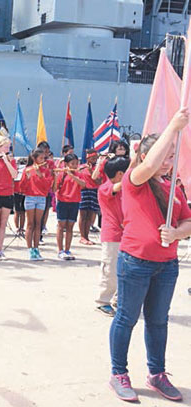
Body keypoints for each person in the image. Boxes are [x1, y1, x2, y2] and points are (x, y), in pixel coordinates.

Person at [108, 109, 191, 403]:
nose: (169, 161)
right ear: (145, 156)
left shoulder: (175, 190)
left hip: (167, 265)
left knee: (158, 321)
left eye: (172, 157)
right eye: (164, 156)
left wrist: (177, 232)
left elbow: (188, 222)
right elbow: (151, 163)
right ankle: (119, 373)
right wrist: (173, 125)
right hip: (135, 262)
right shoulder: (136, 179)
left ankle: (157, 373)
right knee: (126, 318)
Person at [95, 156, 130, 316]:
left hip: (126, 235)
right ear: (120, 173)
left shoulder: (126, 189)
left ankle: (118, 299)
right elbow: (118, 185)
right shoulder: (105, 188)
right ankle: (103, 301)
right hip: (112, 236)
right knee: (110, 270)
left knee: (125, 270)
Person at [21, 148, 52, 261]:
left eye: (44, 158)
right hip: (30, 197)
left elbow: (47, 186)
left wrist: (40, 175)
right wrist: (27, 178)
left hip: (41, 198)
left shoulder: (45, 171)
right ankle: (30, 249)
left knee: (38, 224)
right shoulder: (27, 170)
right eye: (41, 158)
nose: (43, 160)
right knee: (30, 224)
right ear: (34, 159)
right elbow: (21, 187)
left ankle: (36, 248)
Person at [54, 154, 85, 260]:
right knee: (61, 225)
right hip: (63, 201)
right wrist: (57, 174)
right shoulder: (62, 175)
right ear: (66, 164)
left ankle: (67, 249)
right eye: (73, 164)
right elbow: (55, 188)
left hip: (74, 202)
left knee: (70, 226)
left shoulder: (79, 174)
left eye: (76, 163)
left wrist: (72, 175)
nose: (75, 165)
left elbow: (83, 184)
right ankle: (60, 250)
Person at [78, 149, 102, 245]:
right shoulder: (81, 167)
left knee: (90, 215)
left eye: (95, 158)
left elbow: (98, 181)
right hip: (84, 191)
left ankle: (86, 236)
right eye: (92, 158)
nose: (94, 160)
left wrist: (91, 171)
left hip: (94, 191)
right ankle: (82, 236)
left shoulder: (98, 169)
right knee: (83, 215)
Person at [38, 141, 56, 241]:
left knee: (44, 213)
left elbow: (53, 174)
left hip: (47, 191)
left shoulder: (50, 163)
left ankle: (40, 233)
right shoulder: (35, 162)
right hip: (36, 192)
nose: (46, 155)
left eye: (47, 152)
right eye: (44, 152)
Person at [13, 156, 27, 237]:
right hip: (16, 192)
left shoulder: (26, 171)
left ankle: (22, 228)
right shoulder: (16, 171)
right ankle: (17, 227)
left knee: (23, 212)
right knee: (17, 211)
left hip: (24, 192)